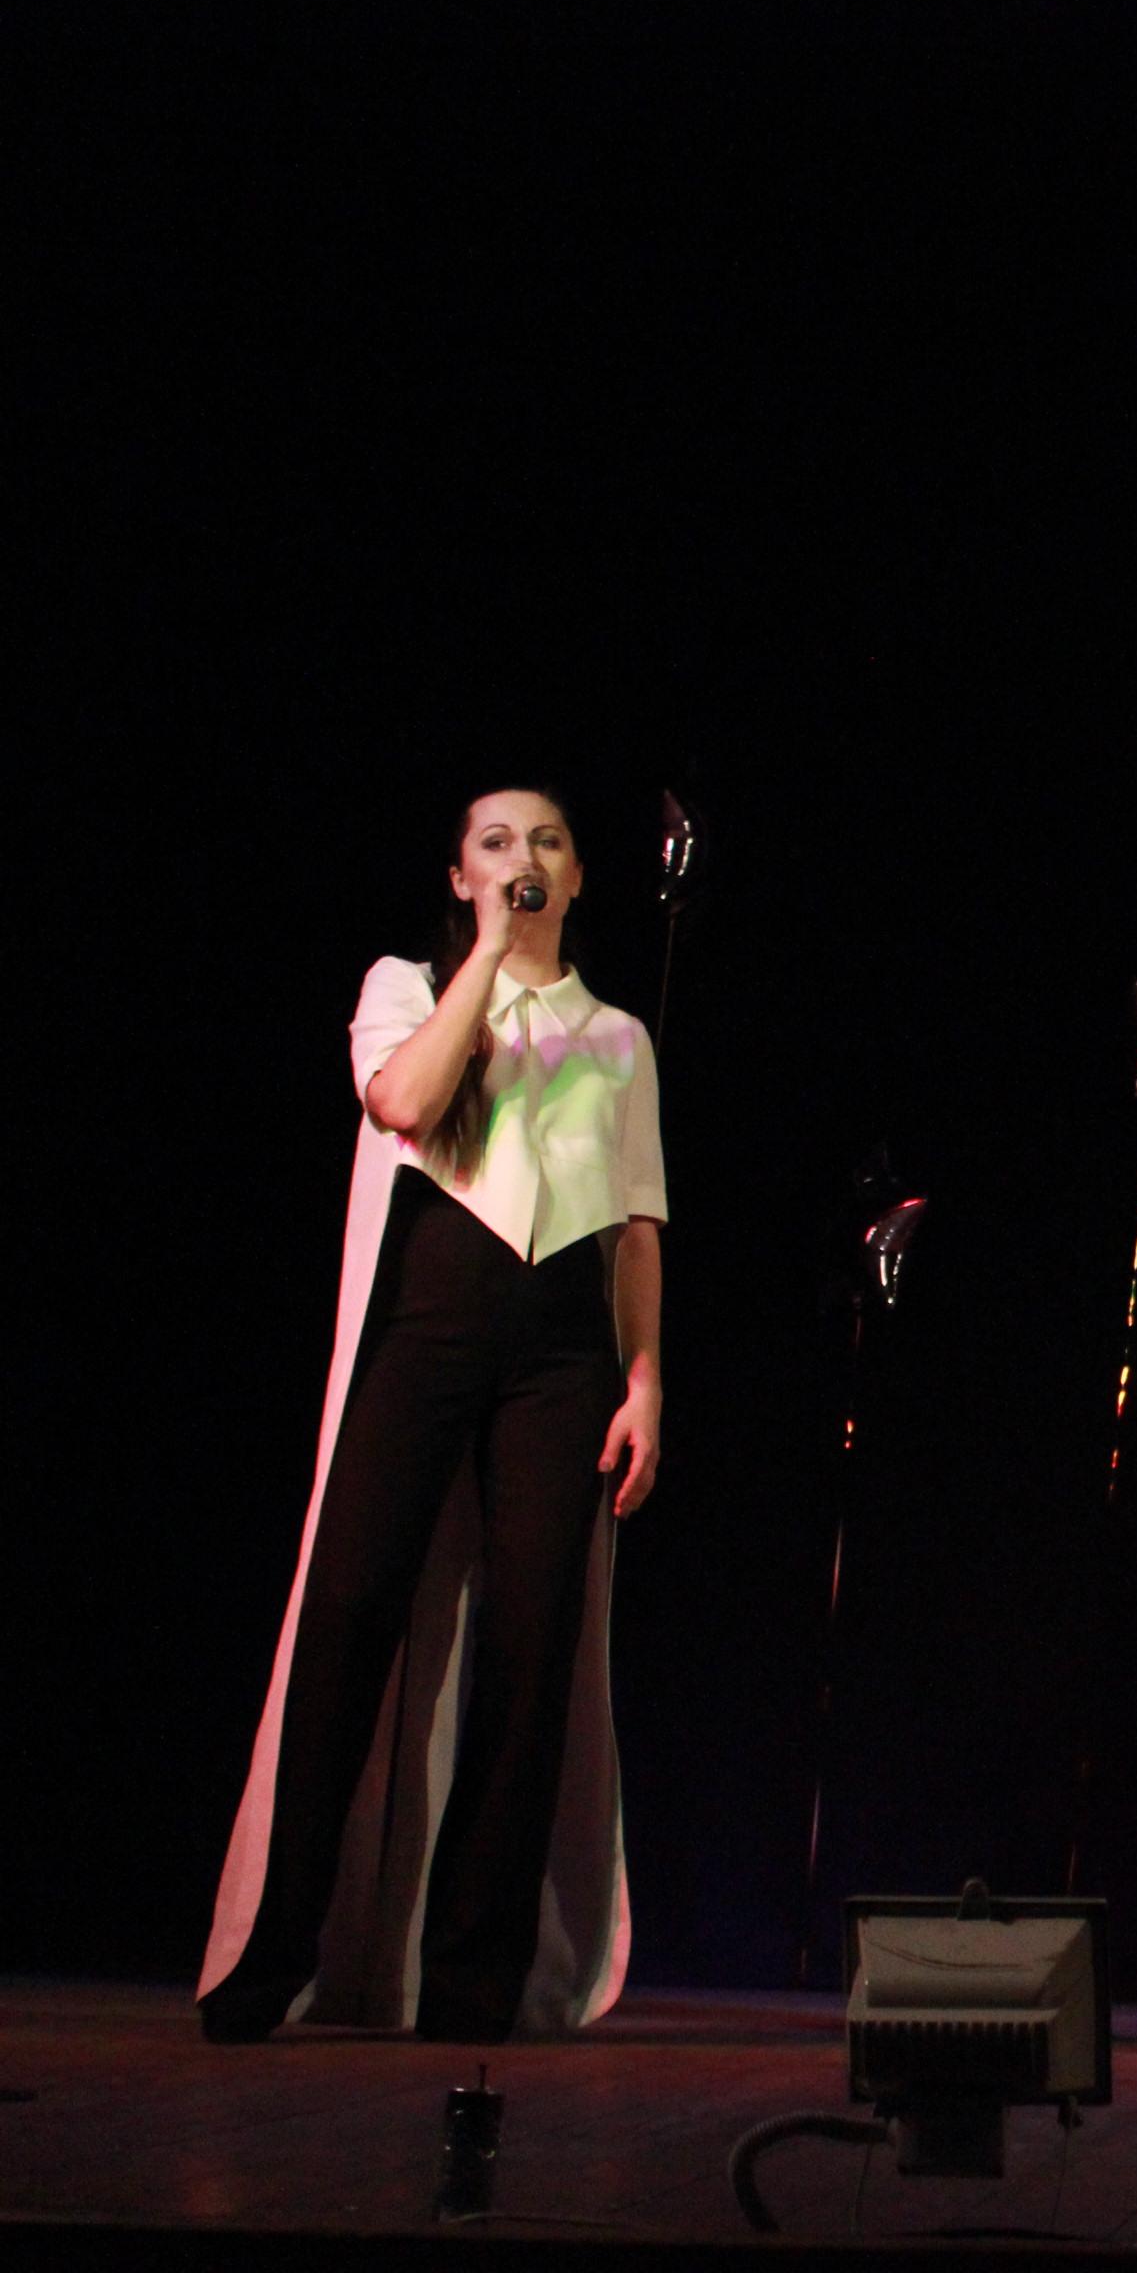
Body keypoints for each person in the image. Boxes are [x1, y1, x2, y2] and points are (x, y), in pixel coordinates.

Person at [201, 785, 665, 2044]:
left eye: (547, 841)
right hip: (428, 1324)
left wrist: (644, 1382)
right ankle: (277, 1949)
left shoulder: (619, 1036)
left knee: (531, 1648)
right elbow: (403, 1104)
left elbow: (636, 1227)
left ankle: (475, 1976)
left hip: (562, 1351)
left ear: (579, 876)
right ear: (462, 878)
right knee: (349, 1614)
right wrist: (490, 962)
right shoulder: (407, 987)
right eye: (496, 844)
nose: (525, 857)